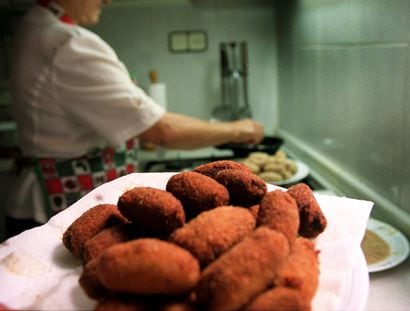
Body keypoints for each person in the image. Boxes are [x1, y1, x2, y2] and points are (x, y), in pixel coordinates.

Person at [4, 0, 264, 238]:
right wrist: (240, 129)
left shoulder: (35, 26)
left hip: (45, 200)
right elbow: (163, 131)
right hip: (54, 207)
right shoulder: (66, 43)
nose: (107, 0)